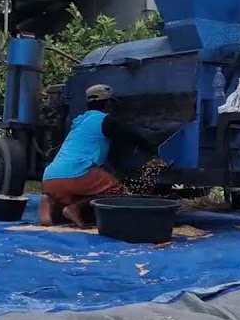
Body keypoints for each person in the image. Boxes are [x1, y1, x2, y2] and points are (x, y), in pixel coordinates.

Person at [39, 84, 164, 228]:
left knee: (68, 193)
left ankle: (47, 200)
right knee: (116, 190)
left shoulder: (78, 121)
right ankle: (75, 208)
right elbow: (134, 137)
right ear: (109, 103)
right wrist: (154, 151)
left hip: (50, 177)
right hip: (78, 173)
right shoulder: (107, 120)